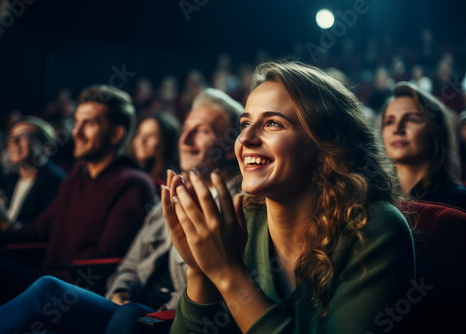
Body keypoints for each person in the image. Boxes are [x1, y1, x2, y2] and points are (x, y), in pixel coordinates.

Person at [162, 61, 415, 333]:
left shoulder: (375, 230)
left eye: (272, 123)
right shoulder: (239, 222)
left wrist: (228, 274)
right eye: (245, 123)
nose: (245, 137)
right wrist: (200, 271)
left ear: (326, 144)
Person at [0, 88, 244, 334]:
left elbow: (212, 290)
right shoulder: (161, 197)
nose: (186, 140)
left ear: (231, 149)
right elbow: (129, 265)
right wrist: (121, 290)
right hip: (123, 302)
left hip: (165, 315)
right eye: (186, 129)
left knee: (48, 288)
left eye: (203, 131)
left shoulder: (236, 207)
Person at [0, 85, 158, 316]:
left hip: (75, 293)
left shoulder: (133, 183)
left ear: (116, 135)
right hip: (46, 281)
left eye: (89, 123)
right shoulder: (76, 176)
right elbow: (35, 233)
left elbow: (106, 265)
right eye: (77, 122)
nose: (77, 132)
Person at [0, 117, 66, 240]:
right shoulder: (9, 180)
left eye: (24, 137)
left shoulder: (55, 182)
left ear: (47, 147)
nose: (13, 142)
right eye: (11, 137)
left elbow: (41, 232)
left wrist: (3, 221)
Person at [382, 81, 466, 209]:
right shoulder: (374, 199)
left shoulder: (459, 202)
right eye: (389, 122)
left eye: (412, 119)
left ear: (435, 132)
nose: (397, 129)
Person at [127, 111, 181, 185]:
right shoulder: (128, 174)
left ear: (166, 142)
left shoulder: (170, 183)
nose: (142, 140)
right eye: (139, 133)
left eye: (151, 135)